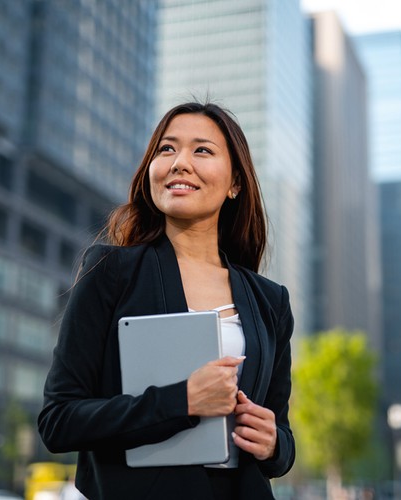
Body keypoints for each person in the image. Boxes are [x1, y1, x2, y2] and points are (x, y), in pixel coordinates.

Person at [38, 102, 295, 499]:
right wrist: (183, 401)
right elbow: (59, 420)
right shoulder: (110, 272)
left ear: (235, 184)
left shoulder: (270, 301)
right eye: (167, 149)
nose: (179, 162)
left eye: (202, 150)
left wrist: (274, 443)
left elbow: (282, 435)